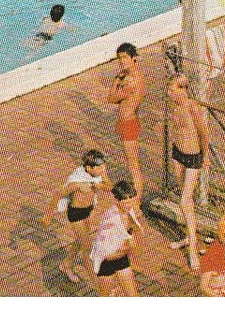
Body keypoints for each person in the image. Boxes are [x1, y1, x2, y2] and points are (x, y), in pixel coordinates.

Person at [167, 74, 209, 270]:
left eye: (173, 89)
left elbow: (203, 133)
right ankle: (188, 236)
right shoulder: (174, 107)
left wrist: (206, 157)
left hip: (193, 157)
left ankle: (193, 248)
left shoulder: (193, 107)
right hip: (178, 154)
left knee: (185, 201)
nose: (169, 93)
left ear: (183, 89)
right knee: (185, 202)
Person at [57, 150, 109, 283]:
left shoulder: (98, 174)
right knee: (87, 247)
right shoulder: (77, 179)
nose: (103, 169)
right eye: (100, 167)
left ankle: (66, 264)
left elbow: (108, 187)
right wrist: (47, 216)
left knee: (81, 241)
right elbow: (59, 195)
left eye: (104, 166)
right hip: (76, 213)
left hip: (88, 210)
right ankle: (97, 282)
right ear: (88, 168)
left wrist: (100, 183)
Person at [90, 180, 142, 296]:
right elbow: (106, 254)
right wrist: (127, 248)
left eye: (131, 200)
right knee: (105, 296)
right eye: (126, 201)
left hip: (121, 258)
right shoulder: (110, 221)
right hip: (106, 262)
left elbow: (133, 230)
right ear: (117, 200)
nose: (129, 205)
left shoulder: (129, 211)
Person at [106, 43, 145, 195]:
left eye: (124, 57)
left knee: (133, 164)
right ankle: (137, 193)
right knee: (131, 163)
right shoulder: (130, 77)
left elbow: (112, 98)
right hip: (125, 121)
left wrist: (116, 81)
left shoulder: (131, 80)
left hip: (129, 123)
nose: (121, 61)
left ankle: (138, 197)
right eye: (119, 58)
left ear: (134, 58)